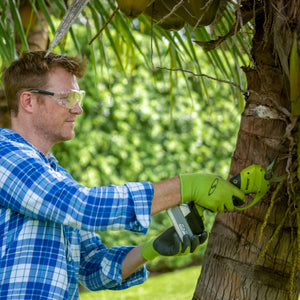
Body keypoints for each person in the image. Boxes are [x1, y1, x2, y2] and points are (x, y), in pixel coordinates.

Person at [0, 51, 245, 299]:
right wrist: (187, 186)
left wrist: (151, 249)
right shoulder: (4, 156)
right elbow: (84, 206)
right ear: (28, 101)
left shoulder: (56, 176)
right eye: (67, 98)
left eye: (79, 97)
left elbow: (92, 268)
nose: (78, 109)